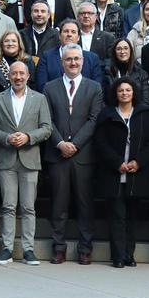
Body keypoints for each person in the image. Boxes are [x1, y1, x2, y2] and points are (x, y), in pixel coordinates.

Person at [42, 45, 102, 264]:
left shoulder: (94, 87)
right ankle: (58, 247)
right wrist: (60, 143)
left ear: (83, 62)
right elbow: (46, 120)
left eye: (77, 59)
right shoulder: (50, 87)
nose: (73, 63)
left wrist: (74, 144)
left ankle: (85, 248)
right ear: (62, 62)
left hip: (83, 155)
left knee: (85, 204)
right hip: (57, 155)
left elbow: (94, 120)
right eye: (69, 59)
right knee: (59, 204)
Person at [0, 60, 51, 266]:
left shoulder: (39, 99)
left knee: (28, 207)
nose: (18, 77)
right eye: (14, 73)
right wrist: (7, 138)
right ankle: (6, 248)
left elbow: (47, 128)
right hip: (7, 159)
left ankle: (28, 250)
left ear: (28, 76)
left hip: (30, 159)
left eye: (21, 73)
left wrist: (28, 137)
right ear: (9, 76)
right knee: (8, 206)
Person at [93, 76, 149, 268]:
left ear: (134, 92)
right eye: (121, 90)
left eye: (128, 90)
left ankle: (130, 254)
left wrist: (138, 162)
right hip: (114, 174)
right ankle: (118, 256)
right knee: (117, 217)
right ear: (116, 93)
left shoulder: (144, 113)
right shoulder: (107, 114)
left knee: (131, 218)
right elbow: (101, 143)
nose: (124, 93)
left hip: (136, 174)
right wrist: (117, 162)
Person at [36, 20, 104, 88]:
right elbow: (42, 86)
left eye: (73, 32)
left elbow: (96, 88)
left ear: (78, 37)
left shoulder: (92, 58)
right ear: (59, 36)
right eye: (66, 31)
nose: (69, 34)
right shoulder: (47, 57)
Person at [0, 30, 38, 95]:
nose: (10, 44)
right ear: (2, 44)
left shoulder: (28, 61)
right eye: (6, 41)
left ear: (19, 44)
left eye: (14, 41)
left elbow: (33, 85)